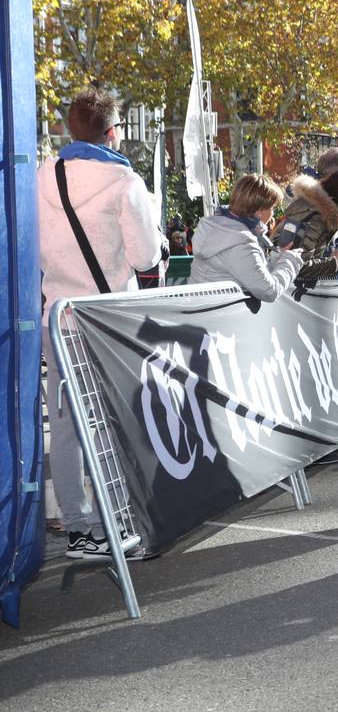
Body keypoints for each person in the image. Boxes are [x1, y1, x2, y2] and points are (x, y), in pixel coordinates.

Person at [38, 87, 163, 558]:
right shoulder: (124, 181)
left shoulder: (40, 175)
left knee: (67, 427)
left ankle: (79, 527)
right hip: (106, 321)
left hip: (59, 319)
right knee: (116, 421)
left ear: (69, 128)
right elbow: (146, 256)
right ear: (113, 133)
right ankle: (118, 518)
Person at [188, 174, 304, 301]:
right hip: (218, 315)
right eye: (272, 208)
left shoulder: (215, 227)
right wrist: (290, 260)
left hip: (201, 310)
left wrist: (279, 256)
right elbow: (269, 291)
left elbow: (253, 274)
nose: (273, 213)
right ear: (259, 211)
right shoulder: (241, 242)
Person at [279, 147, 338, 284]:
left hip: (319, 293)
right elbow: (295, 266)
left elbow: (336, 248)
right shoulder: (312, 210)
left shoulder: (332, 206)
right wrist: (335, 264)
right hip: (302, 298)